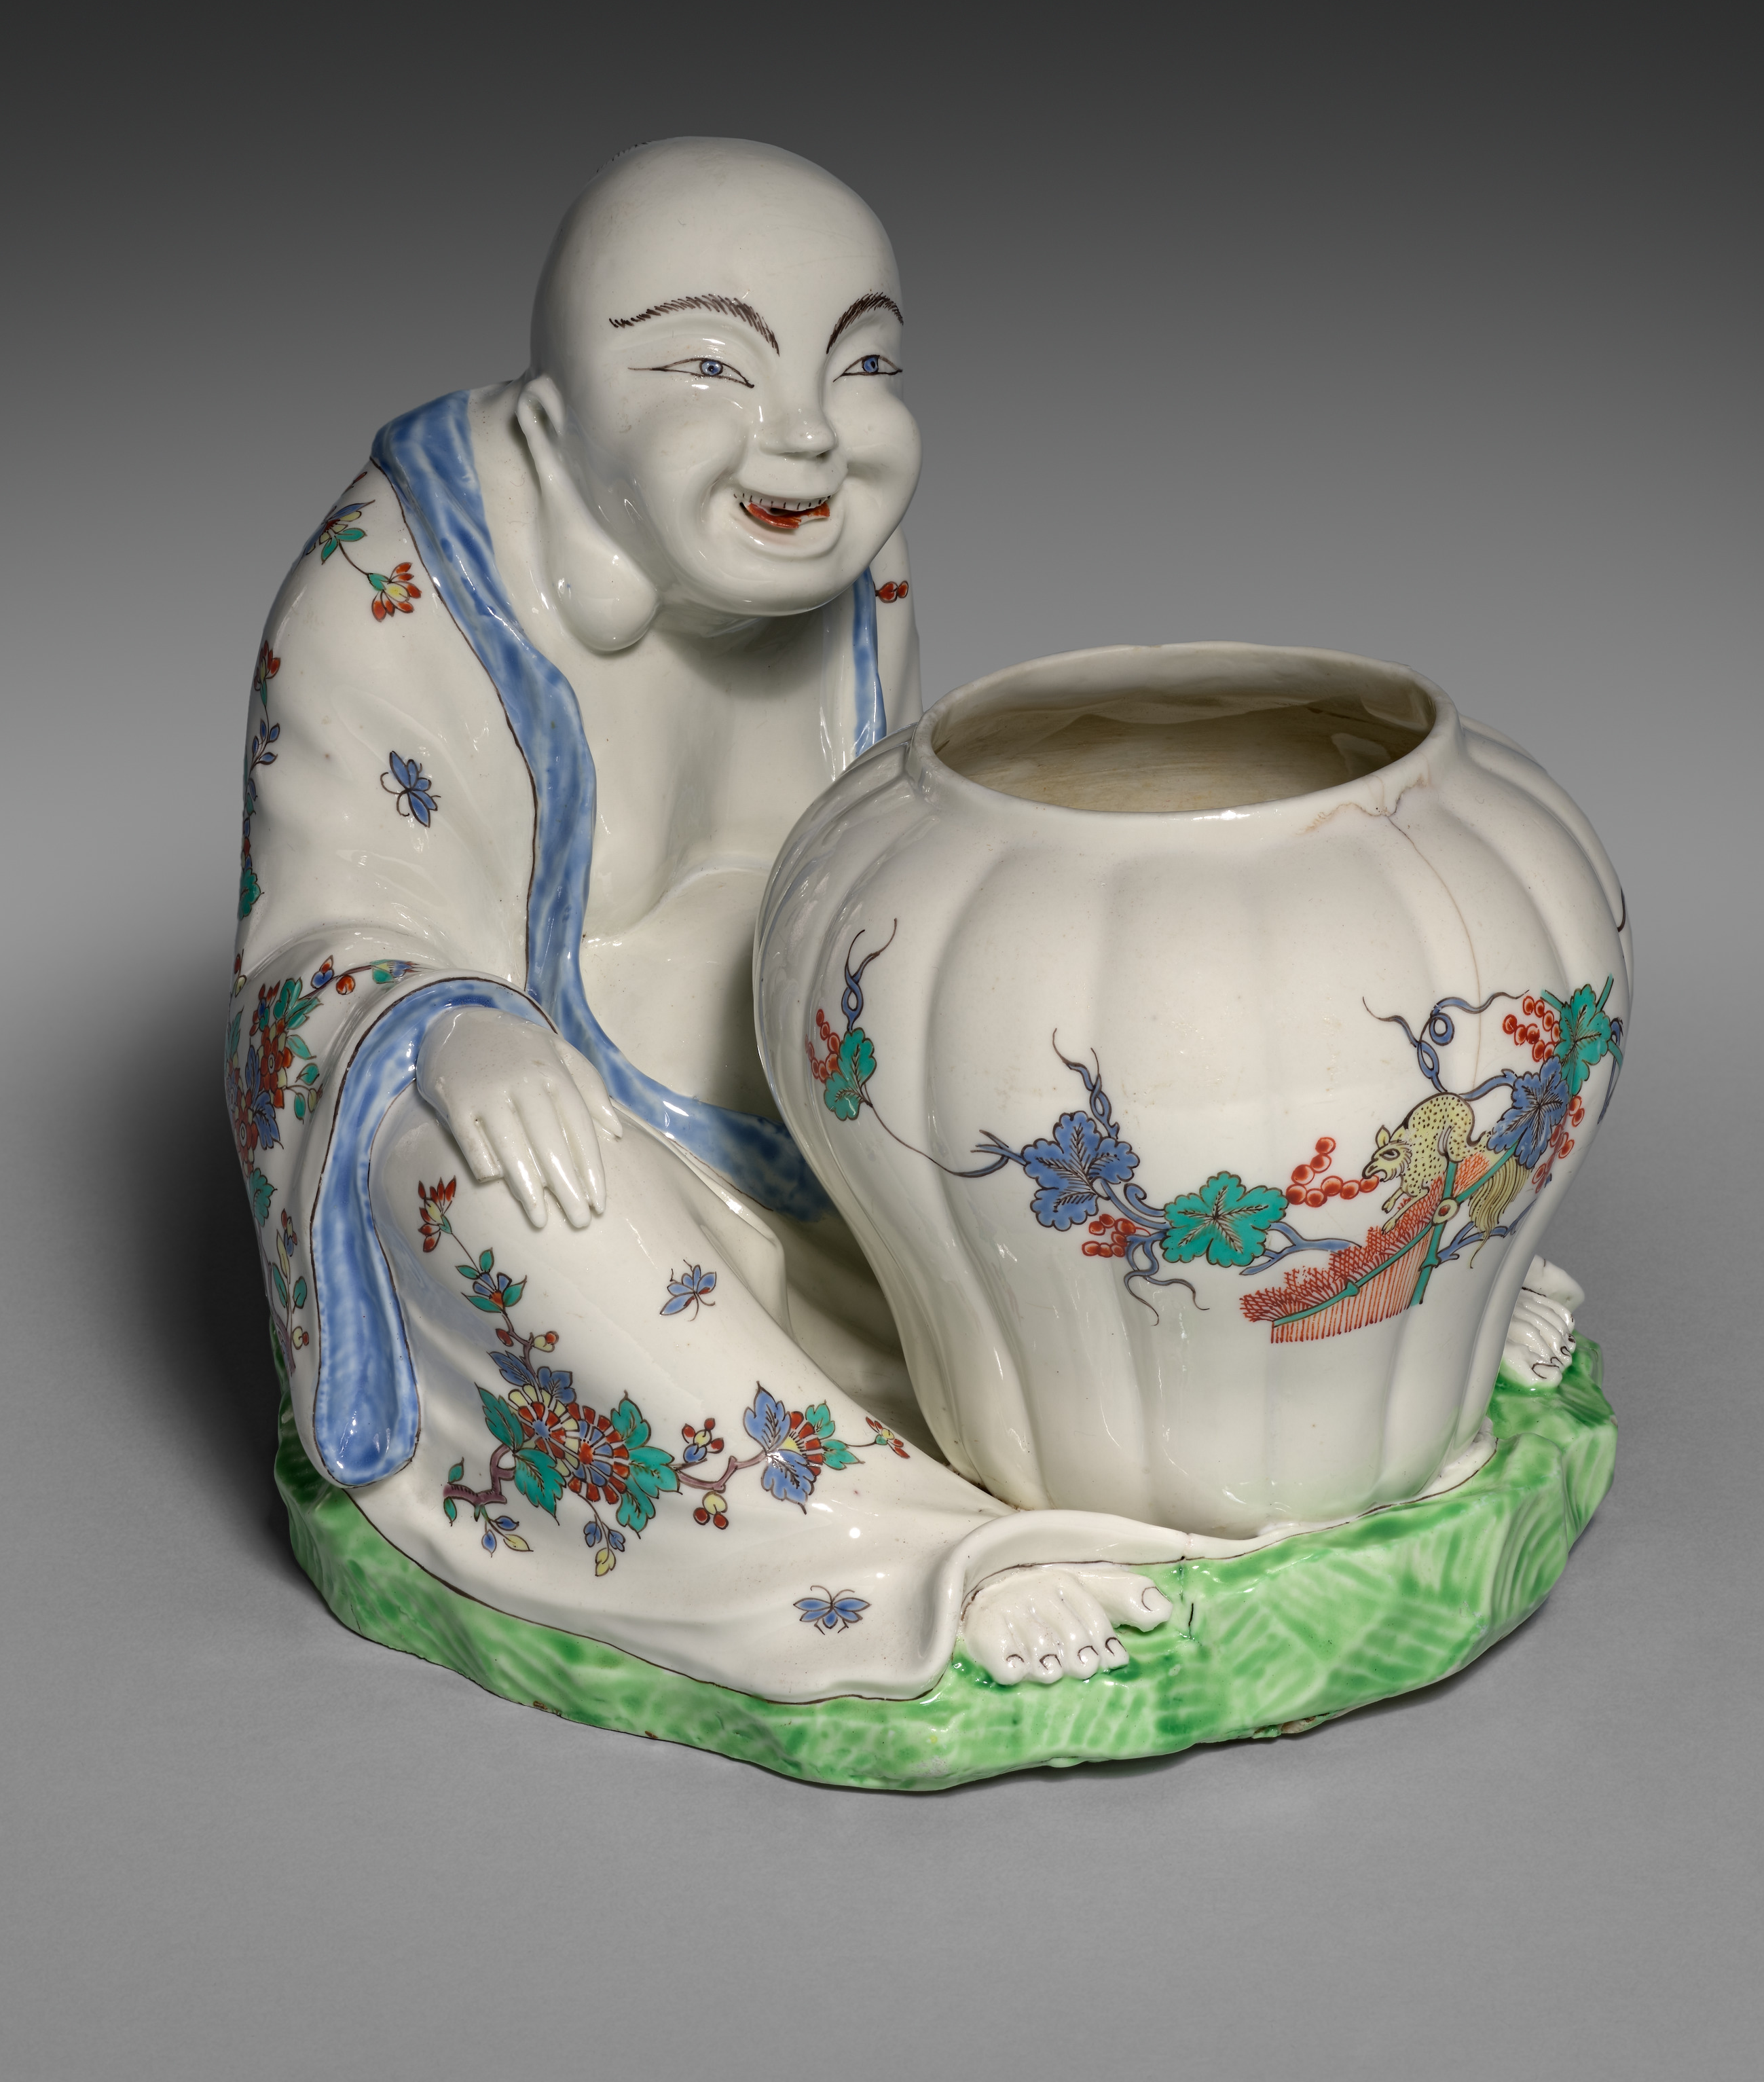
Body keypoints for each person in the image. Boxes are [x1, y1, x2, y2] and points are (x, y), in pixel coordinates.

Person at [227, 139, 1222, 1702]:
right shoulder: (389, 583)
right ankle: (892, 1555)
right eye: (712, 365)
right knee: (498, 1178)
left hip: (813, 1087)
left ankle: (1322, 1363)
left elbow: (888, 842)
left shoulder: (850, 561)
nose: (808, 433)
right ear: (554, 423)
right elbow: (308, 943)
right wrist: (448, 1026)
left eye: (863, 363)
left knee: (1092, 988)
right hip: (558, 1111)